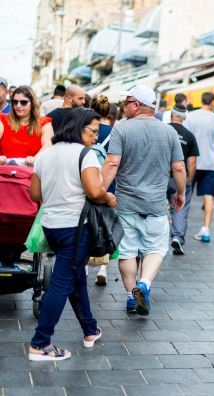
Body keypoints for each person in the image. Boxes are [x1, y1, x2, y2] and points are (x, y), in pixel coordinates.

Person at [28, 108, 116, 361]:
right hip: (75, 228)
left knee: (75, 277)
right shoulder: (85, 154)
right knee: (61, 283)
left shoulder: (45, 155)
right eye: (93, 132)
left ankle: (90, 329)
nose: (96, 139)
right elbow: (95, 192)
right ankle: (40, 344)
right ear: (78, 128)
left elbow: (35, 194)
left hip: (51, 226)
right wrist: (108, 197)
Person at [101, 85, 186, 315]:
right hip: (156, 206)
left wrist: (98, 191)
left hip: (126, 205)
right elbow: (178, 166)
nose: (124, 107)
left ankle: (131, 296)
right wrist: (181, 193)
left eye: (126, 102)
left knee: (127, 252)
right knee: (156, 248)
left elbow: (111, 163)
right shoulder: (170, 132)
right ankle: (144, 284)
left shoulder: (121, 130)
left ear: (137, 105)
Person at [183, 91, 214, 243]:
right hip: (211, 163)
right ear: (213, 102)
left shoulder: (190, 116)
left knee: (186, 193)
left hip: (192, 161)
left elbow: (185, 137)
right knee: (209, 196)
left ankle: (180, 226)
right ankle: (206, 229)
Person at [89, 94, 115, 286]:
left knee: (86, 222)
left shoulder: (88, 129)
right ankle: (103, 268)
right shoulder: (115, 133)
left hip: (88, 180)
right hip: (108, 183)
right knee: (105, 226)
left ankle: (83, 264)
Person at [167, 104, 199, 255]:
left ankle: (151, 239)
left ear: (171, 115)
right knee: (180, 208)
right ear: (184, 117)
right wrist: (188, 181)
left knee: (156, 208)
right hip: (179, 178)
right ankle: (177, 237)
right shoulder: (189, 135)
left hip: (160, 177)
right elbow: (192, 162)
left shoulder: (163, 130)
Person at [0, 85, 54, 166]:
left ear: (32, 103)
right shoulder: (3, 120)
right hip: (4, 172)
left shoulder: (44, 123)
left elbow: (48, 144)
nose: (18, 106)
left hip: (31, 172)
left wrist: (35, 158)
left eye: (23, 102)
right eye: (15, 102)